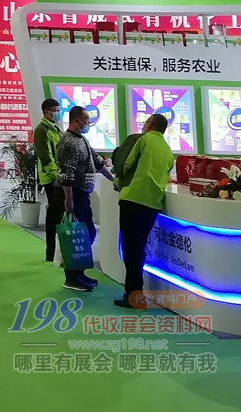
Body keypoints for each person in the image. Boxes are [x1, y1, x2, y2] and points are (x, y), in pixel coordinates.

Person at [114, 114, 174, 309]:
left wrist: (118, 180)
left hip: (133, 198)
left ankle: (134, 296)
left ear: (150, 125)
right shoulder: (167, 150)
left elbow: (125, 164)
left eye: (146, 122)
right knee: (139, 248)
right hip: (153, 203)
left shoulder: (143, 140)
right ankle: (135, 293)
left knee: (130, 250)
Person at [56, 106, 114, 292]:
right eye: (86, 118)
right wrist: (68, 199)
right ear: (76, 120)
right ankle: (71, 277)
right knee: (73, 236)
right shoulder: (67, 142)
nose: (89, 122)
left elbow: (97, 162)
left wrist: (114, 180)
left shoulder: (82, 140)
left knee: (87, 233)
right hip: (73, 193)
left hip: (82, 194)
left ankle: (79, 272)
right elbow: (66, 172)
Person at [33, 98, 65, 262]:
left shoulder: (56, 128)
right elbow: (45, 156)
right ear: (47, 111)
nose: (58, 113)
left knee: (57, 213)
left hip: (58, 175)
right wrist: (56, 175)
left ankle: (56, 251)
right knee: (54, 213)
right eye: (56, 110)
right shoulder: (41, 130)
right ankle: (51, 251)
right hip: (51, 177)